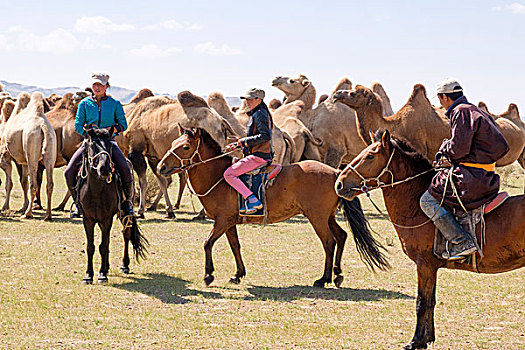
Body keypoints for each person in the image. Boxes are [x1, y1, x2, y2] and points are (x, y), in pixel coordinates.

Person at [419, 78, 509, 260]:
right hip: (485, 176)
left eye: (440, 99)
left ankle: (461, 242)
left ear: (444, 97)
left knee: (427, 200)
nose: (440, 103)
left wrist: (444, 149)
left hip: (472, 179)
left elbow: (458, 148)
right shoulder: (474, 110)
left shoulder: (460, 112)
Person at [64, 73, 134, 218]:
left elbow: (123, 124)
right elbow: (77, 125)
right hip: (90, 142)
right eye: (95, 84)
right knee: (69, 171)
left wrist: (111, 131)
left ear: (106, 86)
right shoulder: (84, 104)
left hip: (109, 143)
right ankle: (78, 203)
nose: (97, 87)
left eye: (100, 85)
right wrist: (89, 133)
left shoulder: (115, 104)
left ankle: (126, 203)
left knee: (126, 169)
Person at [224, 88, 273, 214]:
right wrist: (238, 144)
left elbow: (265, 136)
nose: (247, 101)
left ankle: (252, 200)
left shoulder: (260, 113)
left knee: (228, 174)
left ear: (259, 99)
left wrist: (243, 142)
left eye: (250, 99)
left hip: (258, 157)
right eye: (246, 99)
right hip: (256, 154)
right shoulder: (258, 112)